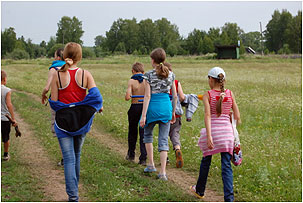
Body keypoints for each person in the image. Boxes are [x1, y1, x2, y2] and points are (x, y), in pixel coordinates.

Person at [49, 42, 103, 202]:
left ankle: (73, 196)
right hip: (81, 121)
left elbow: (54, 102)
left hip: (63, 122)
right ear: (80, 57)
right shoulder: (86, 74)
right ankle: (75, 187)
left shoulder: (56, 75)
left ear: (64, 55)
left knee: (69, 158)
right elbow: (96, 97)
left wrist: (67, 106)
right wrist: (92, 106)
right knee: (77, 155)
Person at [190, 67, 241, 202]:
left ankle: (200, 190)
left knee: (206, 161)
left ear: (211, 80)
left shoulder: (208, 94)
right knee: (226, 166)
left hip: (214, 133)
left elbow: (208, 115)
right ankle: (229, 198)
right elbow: (237, 114)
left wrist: (209, 136)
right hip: (227, 135)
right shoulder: (230, 93)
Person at [140, 48, 177, 181]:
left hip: (152, 107)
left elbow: (147, 95)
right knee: (163, 139)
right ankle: (163, 173)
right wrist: (173, 111)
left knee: (148, 135)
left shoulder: (149, 75)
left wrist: (143, 116)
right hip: (166, 107)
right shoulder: (171, 74)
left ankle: (151, 164)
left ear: (153, 60)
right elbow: (175, 95)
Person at [41, 48, 65, 166]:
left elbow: (47, 87)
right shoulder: (69, 67)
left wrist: (43, 94)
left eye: (55, 56)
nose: (54, 58)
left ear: (58, 57)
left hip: (56, 102)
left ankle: (64, 157)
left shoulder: (54, 68)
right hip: (69, 102)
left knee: (58, 129)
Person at [125, 62, 147, 165]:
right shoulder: (147, 80)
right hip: (144, 107)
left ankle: (131, 154)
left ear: (133, 71)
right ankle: (143, 157)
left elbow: (127, 97)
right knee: (144, 133)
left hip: (135, 107)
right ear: (143, 71)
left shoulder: (131, 81)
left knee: (132, 131)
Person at [164, 62, 186, 168]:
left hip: (164, 112)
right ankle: (177, 148)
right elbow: (181, 97)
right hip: (176, 114)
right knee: (175, 133)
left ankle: (166, 158)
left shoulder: (161, 82)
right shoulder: (176, 82)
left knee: (163, 135)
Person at [1, 70, 18, 161]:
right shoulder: (7, 90)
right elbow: (9, 105)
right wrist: (13, 118)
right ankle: (5, 154)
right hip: (4, 118)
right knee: (5, 137)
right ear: (4, 79)